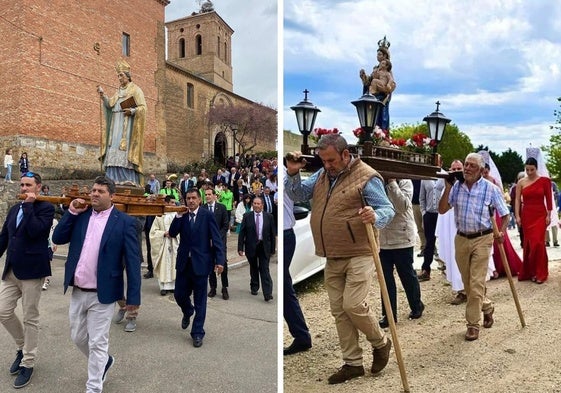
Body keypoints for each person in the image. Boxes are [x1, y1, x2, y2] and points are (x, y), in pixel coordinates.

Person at [285, 134, 395, 384]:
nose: (327, 165)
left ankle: (380, 342)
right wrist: (292, 173)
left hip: (360, 252)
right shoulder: (323, 175)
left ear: (346, 155)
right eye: (323, 160)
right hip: (331, 253)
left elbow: (388, 208)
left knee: (353, 305)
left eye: (332, 160)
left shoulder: (366, 176)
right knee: (339, 311)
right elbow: (299, 194)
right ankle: (352, 363)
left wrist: (374, 215)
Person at [52, 176, 141, 392]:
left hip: (104, 293)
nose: (94, 194)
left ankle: (93, 387)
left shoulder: (125, 223)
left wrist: (133, 299)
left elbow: (132, 262)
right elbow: (58, 237)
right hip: (78, 289)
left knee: (97, 342)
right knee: (78, 337)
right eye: (93, 190)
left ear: (112, 195)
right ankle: (105, 362)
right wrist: (71, 212)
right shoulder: (80, 217)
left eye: (100, 191)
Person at [438, 153, 510, 341]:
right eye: (466, 165)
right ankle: (487, 306)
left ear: (480, 170)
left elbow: (505, 213)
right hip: (461, 239)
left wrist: (500, 232)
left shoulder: (490, 189)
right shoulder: (456, 187)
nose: (467, 169)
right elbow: (442, 209)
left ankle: (472, 325)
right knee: (468, 284)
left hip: (483, 238)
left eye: (472, 166)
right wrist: (447, 188)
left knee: (477, 283)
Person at [0, 171, 54, 389]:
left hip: (32, 271)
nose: (23, 189)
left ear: (38, 187)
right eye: (22, 185)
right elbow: (5, 236)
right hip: (12, 269)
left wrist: (30, 206)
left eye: (28, 185)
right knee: (3, 311)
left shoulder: (46, 208)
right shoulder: (14, 209)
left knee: (31, 317)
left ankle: (28, 362)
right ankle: (22, 346)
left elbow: (36, 232)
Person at [168, 188, 225, 348]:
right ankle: (187, 311)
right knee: (179, 295)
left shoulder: (207, 216)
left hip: (201, 264)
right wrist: (178, 216)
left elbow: (216, 238)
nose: (191, 201)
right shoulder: (182, 215)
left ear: (199, 200)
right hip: (184, 264)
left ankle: (197, 333)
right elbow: (172, 233)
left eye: (194, 198)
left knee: (200, 301)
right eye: (188, 198)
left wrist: (219, 260)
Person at [378, 178, 424, 328]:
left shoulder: (405, 182)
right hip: (383, 239)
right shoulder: (376, 181)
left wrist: (392, 183)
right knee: (385, 279)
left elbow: (402, 206)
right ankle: (389, 315)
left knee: (406, 274)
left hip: (402, 237)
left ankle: (416, 305)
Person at [98, 59, 146, 186]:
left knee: (124, 152)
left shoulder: (136, 90)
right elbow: (110, 104)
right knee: (113, 149)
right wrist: (103, 96)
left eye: (121, 75)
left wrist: (132, 111)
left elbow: (143, 108)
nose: (119, 78)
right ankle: (111, 178)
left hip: (128, 127)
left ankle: (127, 178)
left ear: (128, 76)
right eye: (118, 75)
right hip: (115, 125)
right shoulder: (118, 91)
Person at [283, 166, 312, 356]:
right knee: (285, 287)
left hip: (287, 235)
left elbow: (299, 195)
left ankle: (302, 336)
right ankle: (301, 336)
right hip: (283, 234)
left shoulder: (287, 176)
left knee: (285, 287)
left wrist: (293, 172)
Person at [515, 157, 553, 283]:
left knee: (538, 243)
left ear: (536, 168)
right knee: (529, 244)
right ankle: (530, 271)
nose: (530, 172)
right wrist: (517, 216)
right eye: (527, 170)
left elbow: (548, 198)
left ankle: (540, 273)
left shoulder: (545, 181)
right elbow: (516, 200)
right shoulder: (521, 182)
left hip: (540, 215)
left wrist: (548, 214)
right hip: (527, 215)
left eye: (532, 169)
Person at [238, 196, 276, 302]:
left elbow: (272, 234)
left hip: (264, 247)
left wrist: (273, 248)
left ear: (262, 205)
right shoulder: (247, 216)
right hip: (251, 246)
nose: (256, 205)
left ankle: (267, 293)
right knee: (254, 267)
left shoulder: (269, 217)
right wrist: (240, 247)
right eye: (254, 203)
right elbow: (242, 233)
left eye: (258, 204)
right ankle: (254, 286)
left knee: (264, 269)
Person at [149, 196, 179, 296]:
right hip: (163, 244)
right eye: (172, 202)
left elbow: (183, 230)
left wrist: (175, 234)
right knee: (163, 265)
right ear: (166, 203)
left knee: (174, 265)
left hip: (175, 243)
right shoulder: (159, 216)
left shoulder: (178, 215)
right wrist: (164, 233)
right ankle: (163, 287)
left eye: (175, 203)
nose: (174, 205)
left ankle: (174, 286)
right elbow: (153, 232)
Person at [204, 188, 230, 300]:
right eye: (206, 195)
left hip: (220, 241)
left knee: (223, 263)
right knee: (210, 265)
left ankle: (224, 287)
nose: (208, 196)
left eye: (209, 194)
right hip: (207, 242)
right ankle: (213, 287)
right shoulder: (203, 208)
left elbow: (225, 225)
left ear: (215, 196)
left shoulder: (222, 208)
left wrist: (216, 238)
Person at [418, 178, 444, 281]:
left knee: (444, 241)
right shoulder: (425, 179)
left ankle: (446, 266)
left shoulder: (444, 177)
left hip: (442, 214)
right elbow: (422, 198)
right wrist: (424, 213)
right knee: (429, 242)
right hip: (429, 214)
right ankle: (426, 269)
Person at [411, 179, 426, 257]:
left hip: (425, 204)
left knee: (427, 227)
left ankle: (431, 247)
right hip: (414, 204)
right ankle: (424, 246)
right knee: (419, 227)